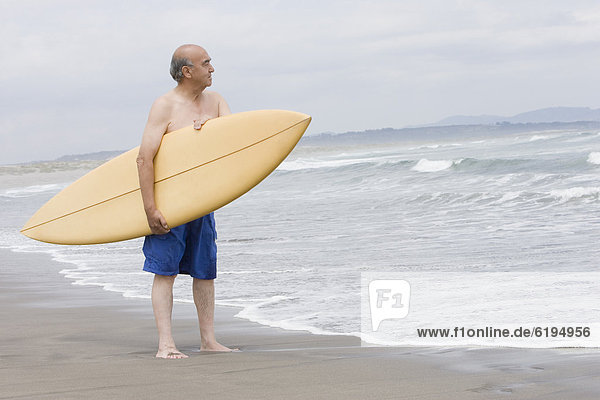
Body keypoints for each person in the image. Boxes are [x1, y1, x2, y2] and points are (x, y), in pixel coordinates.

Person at [136, 44, 235, 359]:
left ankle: (208, 340)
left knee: (205, 272)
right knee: (165, 272)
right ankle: (165, 344)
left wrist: (210, 132)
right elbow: (144, 159)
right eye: (206, 63)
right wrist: (150, 208)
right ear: (187, 71)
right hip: (170, 204)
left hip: (204, 202)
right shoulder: (164, 106)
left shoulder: (216, 102)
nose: (212, 68)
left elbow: (236, 146)